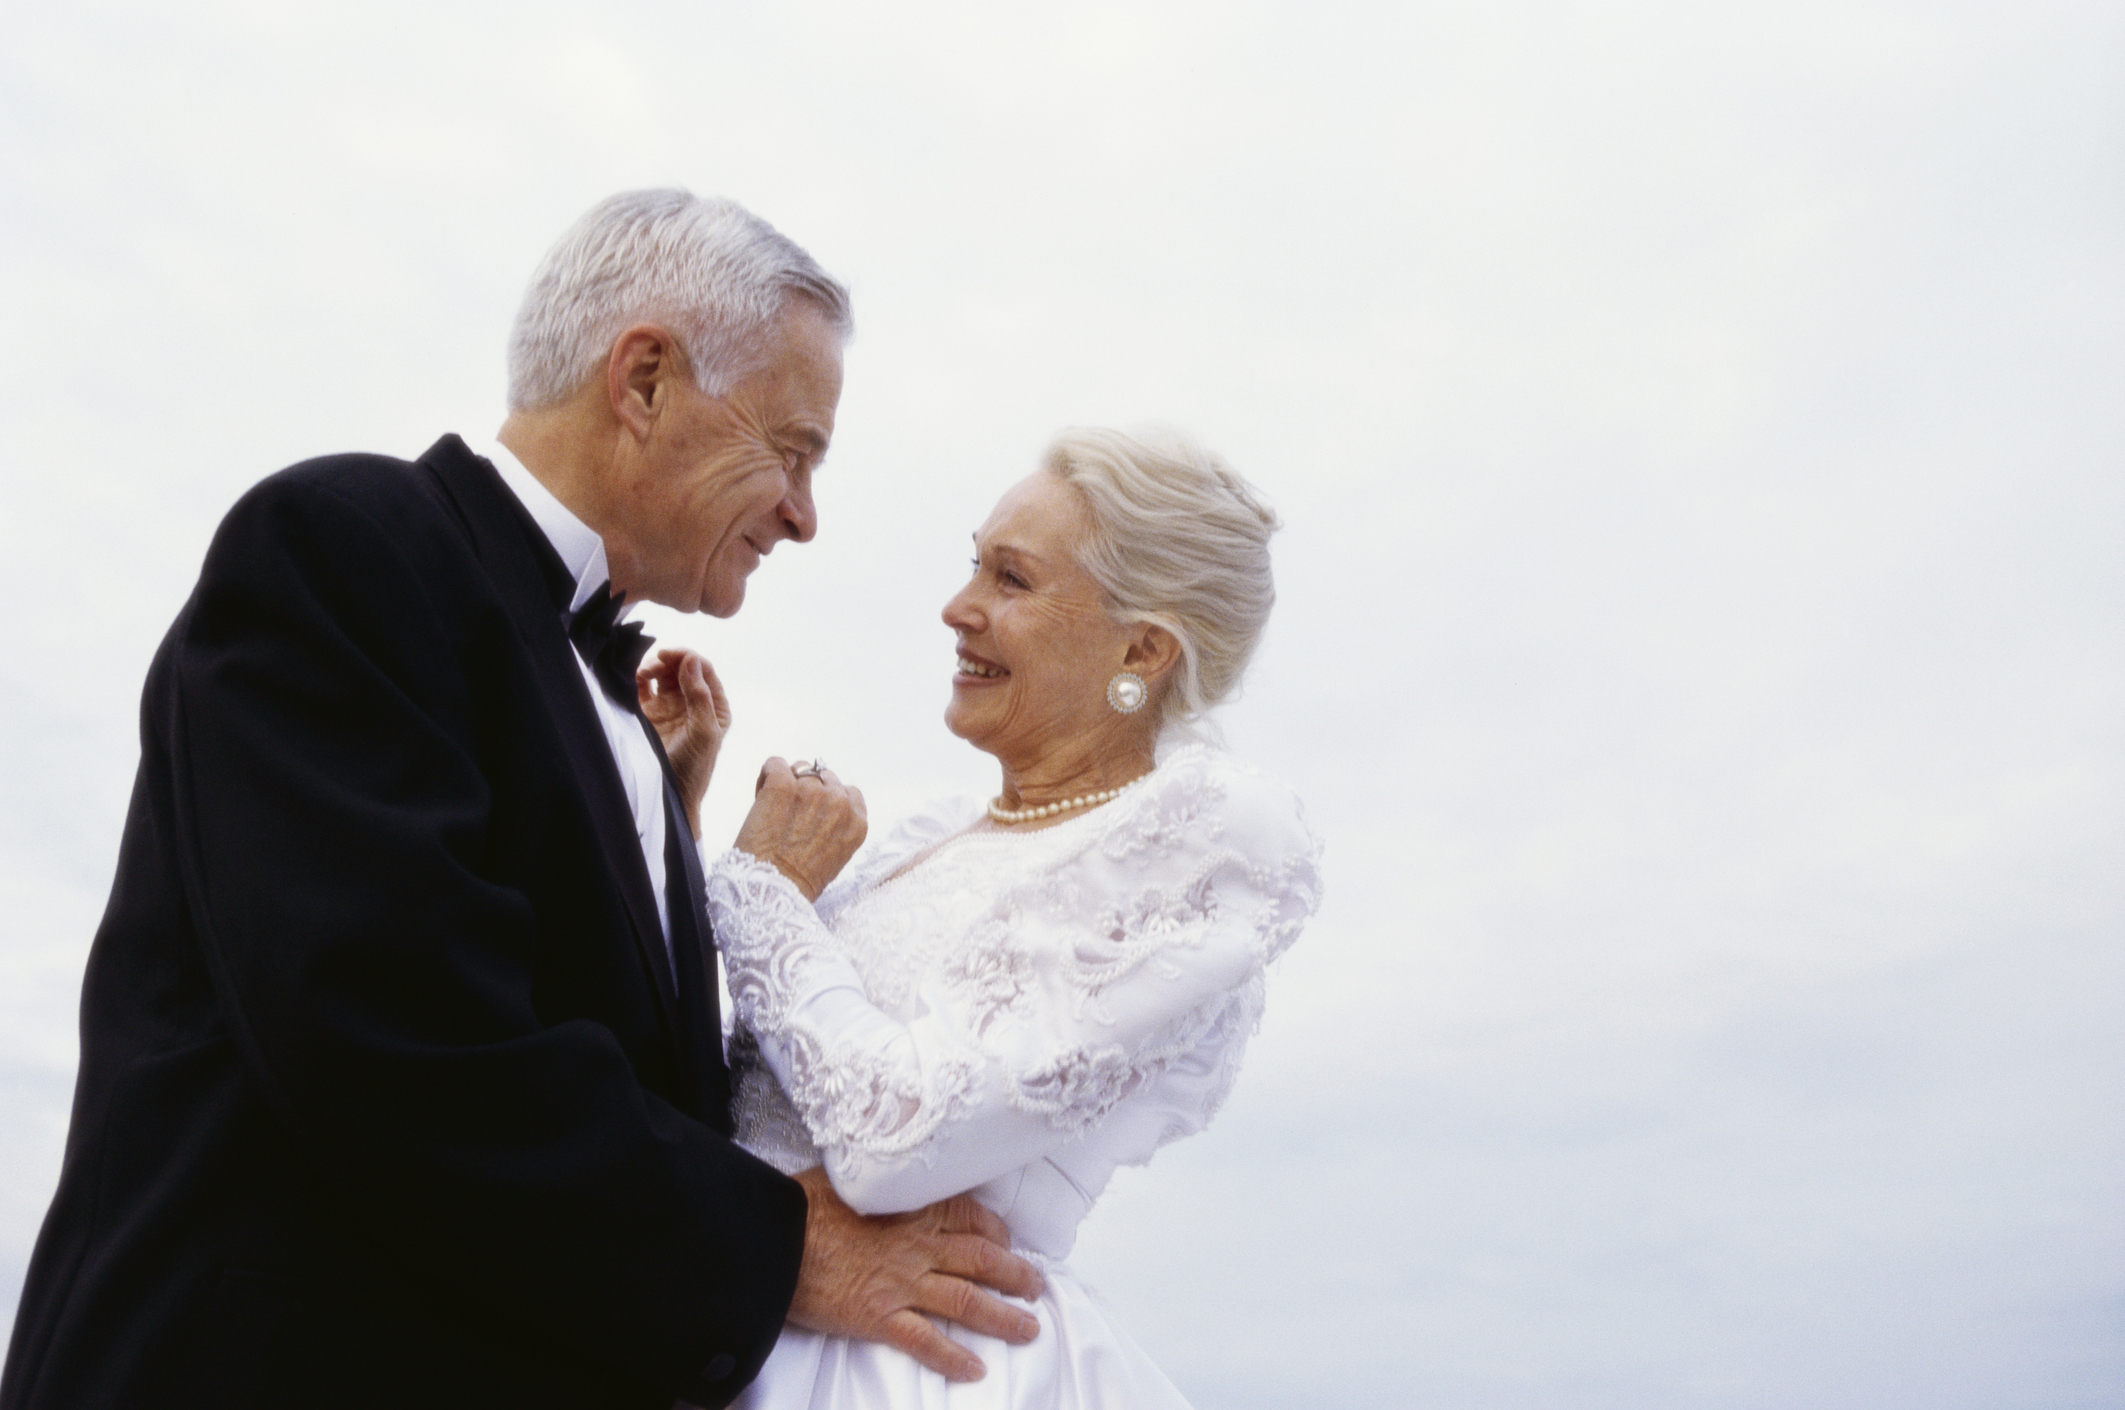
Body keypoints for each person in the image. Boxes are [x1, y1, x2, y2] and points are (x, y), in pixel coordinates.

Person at [0, 189, 1040, 1410]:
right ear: (644, 380)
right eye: (794, 449)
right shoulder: (344, 545)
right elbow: (391, 1028)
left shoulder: (624, 713)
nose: (805, 517)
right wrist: (781, 1248)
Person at [679, 427, 1322, 1408]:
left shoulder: (1202, 841)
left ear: (1139, 652)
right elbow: (747, 1090)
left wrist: (755, 890)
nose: (956, 607)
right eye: (971, 565)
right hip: (730, 1336)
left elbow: (894, 1142)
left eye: (1009, 580)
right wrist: (669, 825)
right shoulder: (924, 839)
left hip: (930, 1375)